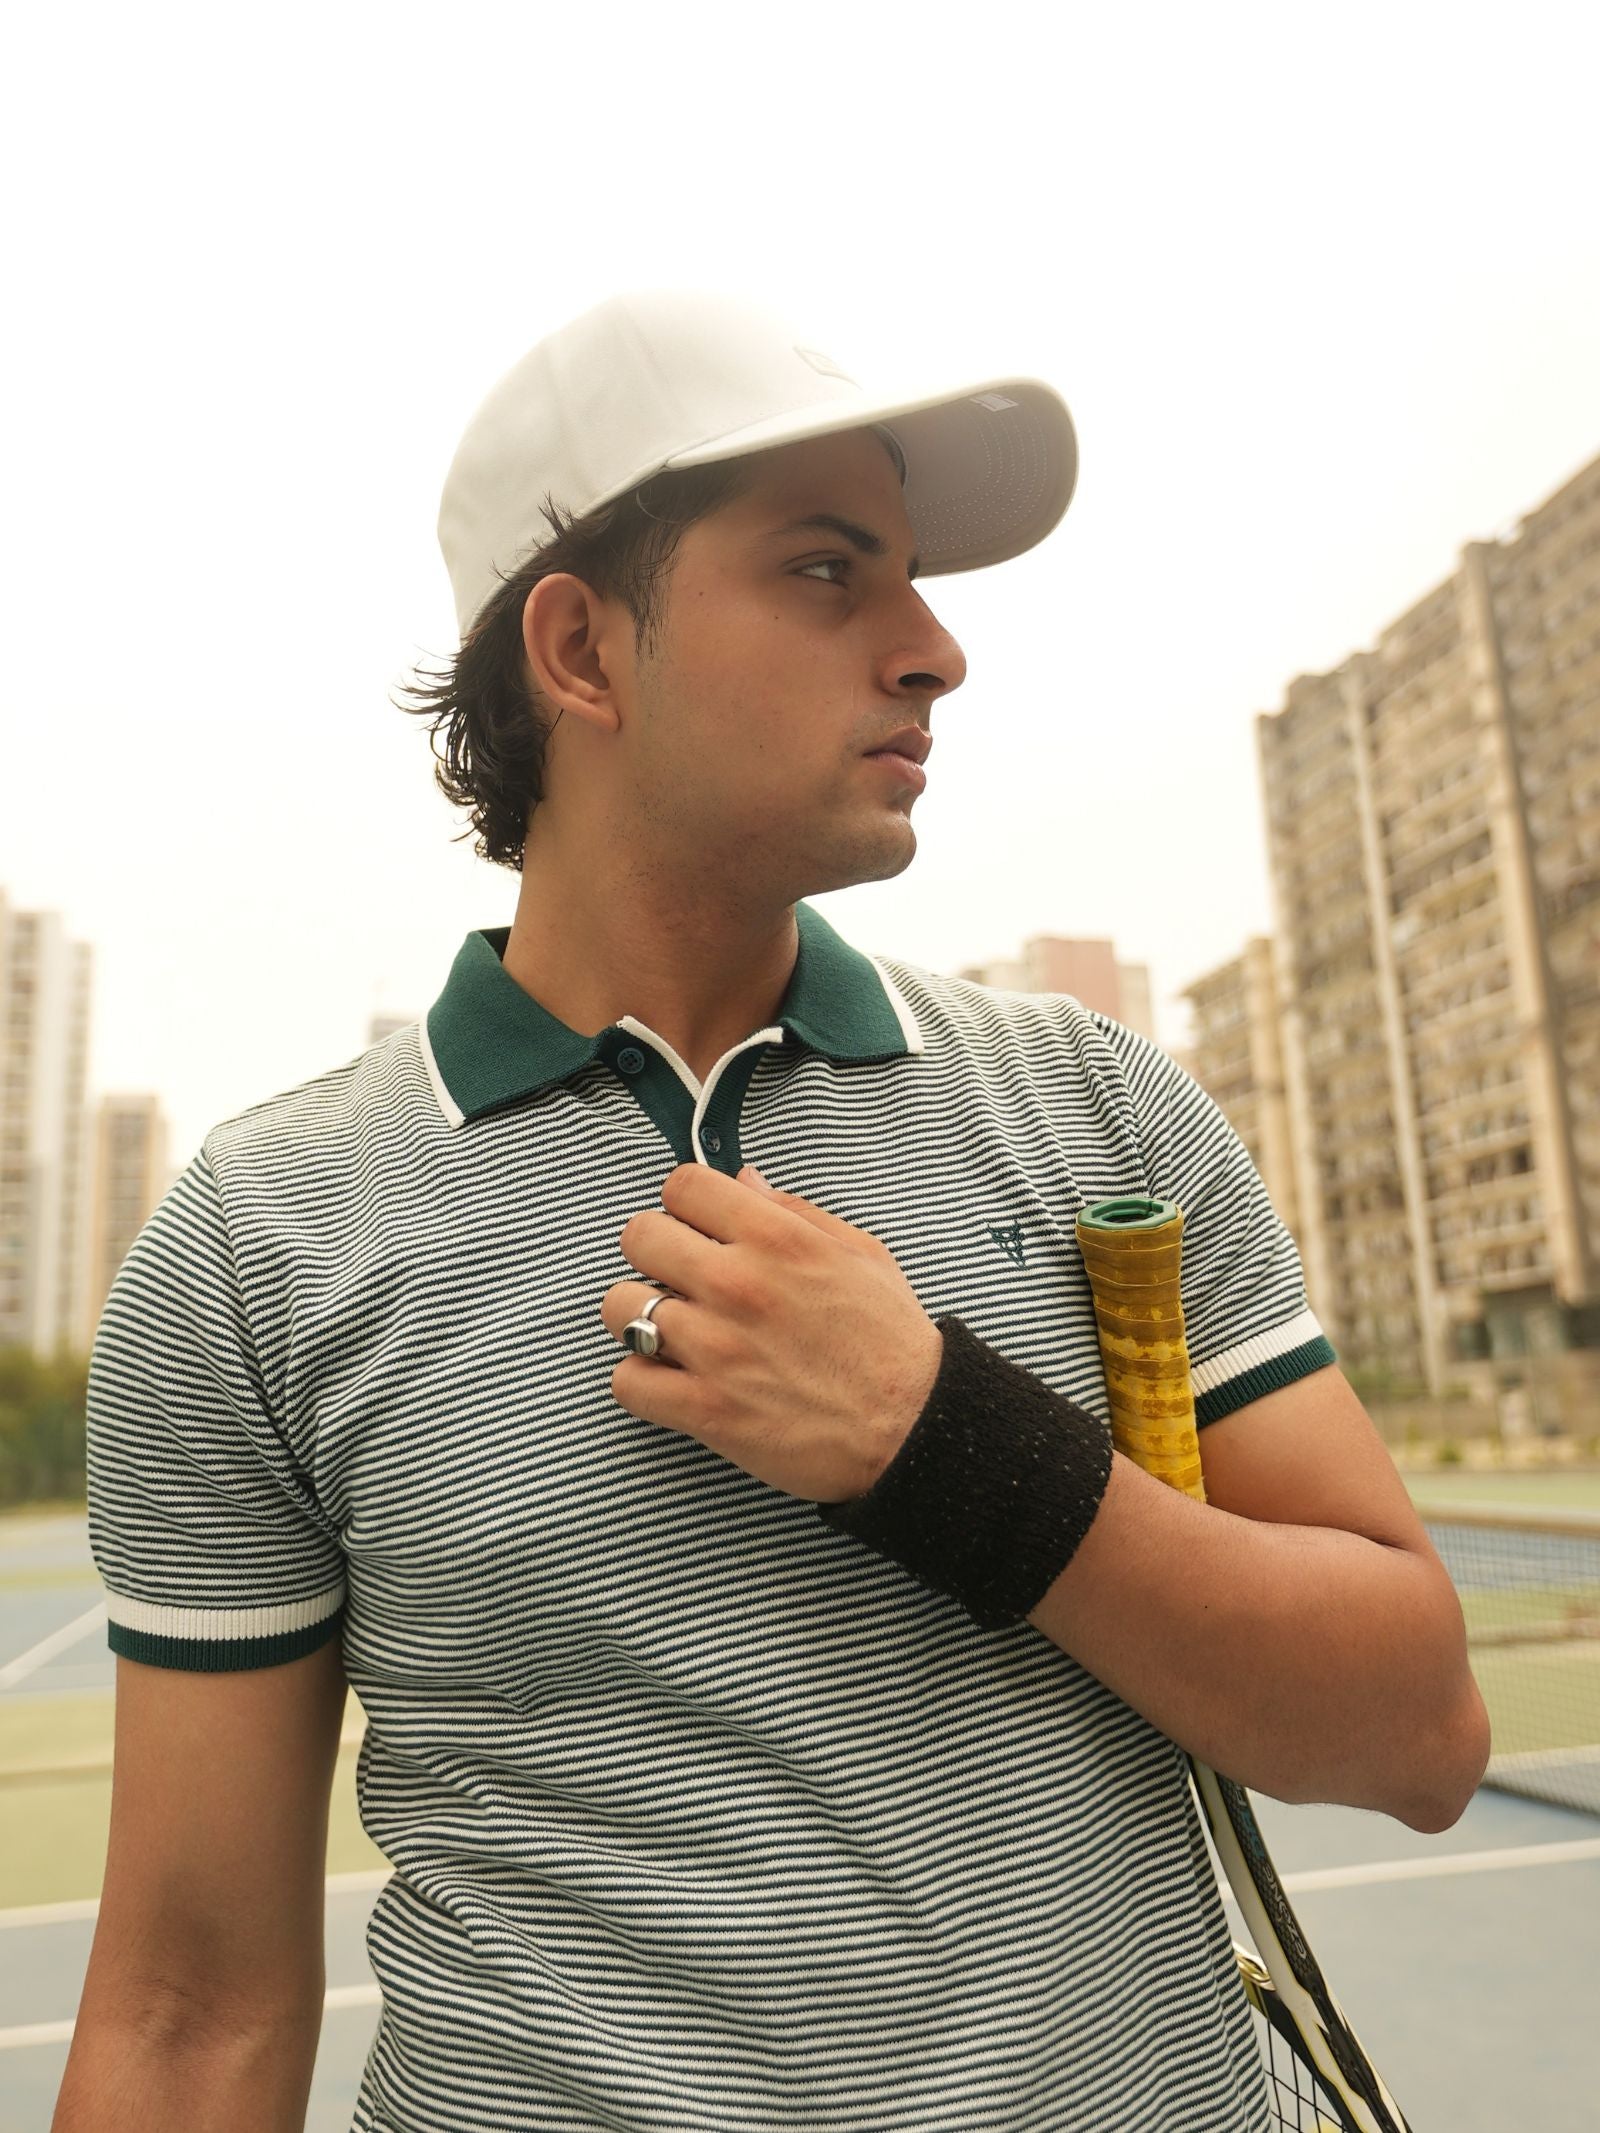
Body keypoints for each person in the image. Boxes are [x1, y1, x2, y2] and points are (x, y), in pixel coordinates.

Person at [58, 289, 1488, 2133]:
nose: (936, 650)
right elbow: (188, 2014)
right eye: (829, 569)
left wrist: (943, 1438)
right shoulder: (255, 1239)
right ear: (581, 649)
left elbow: (1419, 1734)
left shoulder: (1098, 1105)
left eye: (915, 577)